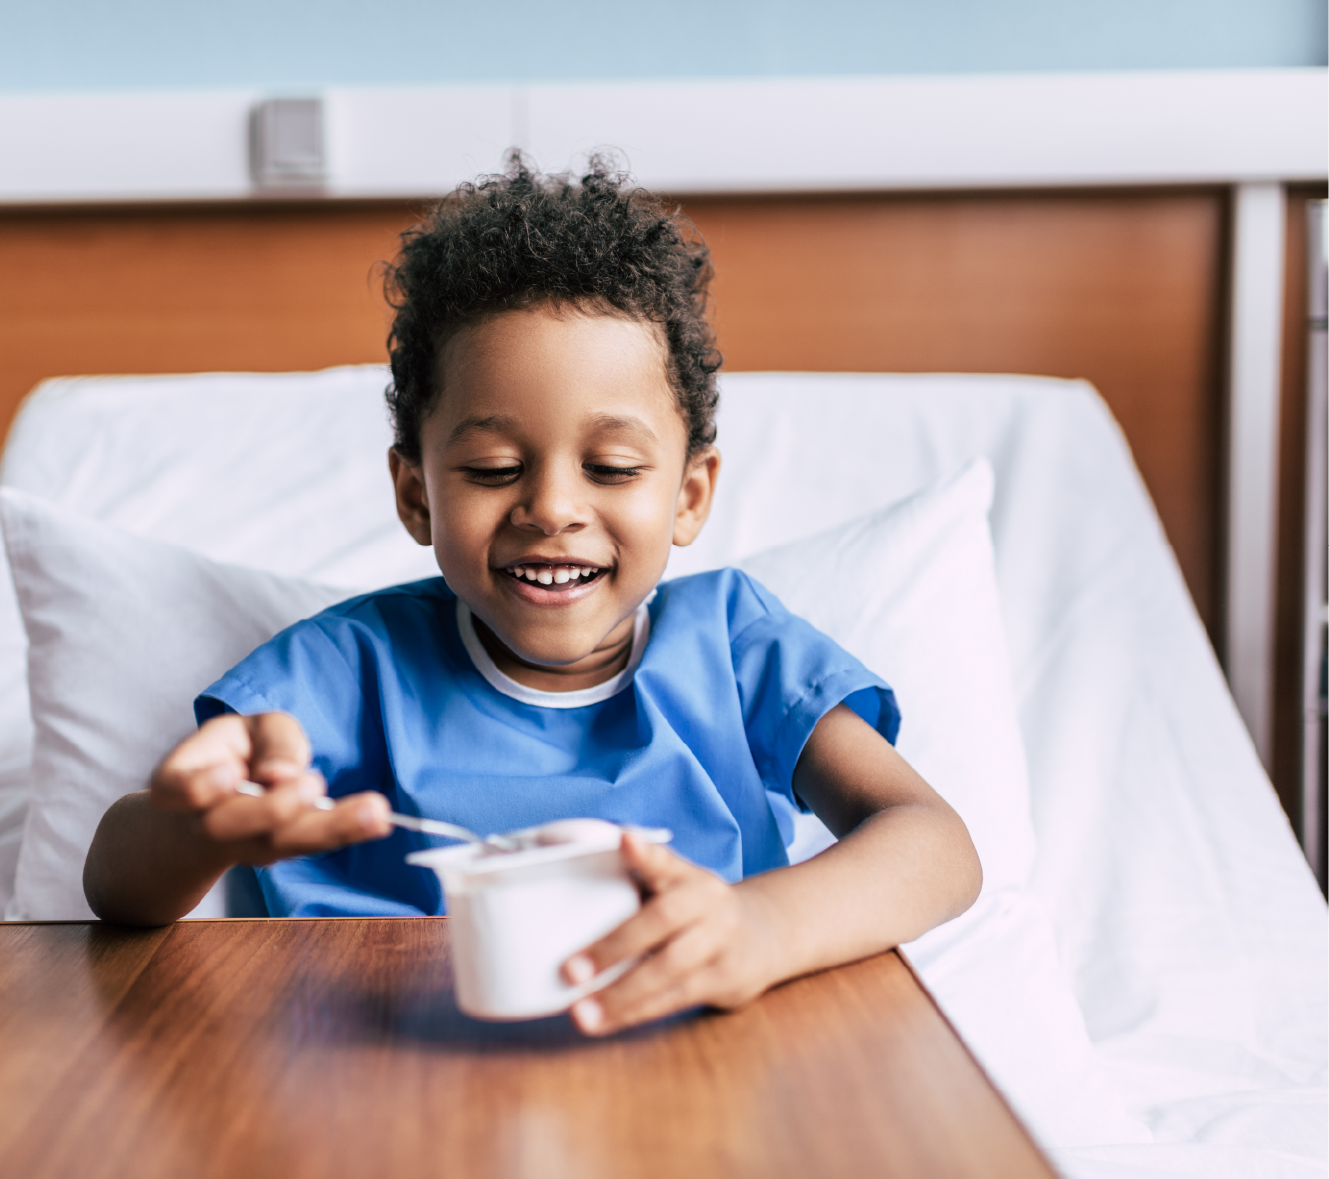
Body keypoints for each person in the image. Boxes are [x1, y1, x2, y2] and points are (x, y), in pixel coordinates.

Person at [85, 157, 981, 1037]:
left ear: (689, 496)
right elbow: (116, 886)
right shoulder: (344, 671)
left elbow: (933, 844)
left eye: (613, 467)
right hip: (382, 1086)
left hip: (701, 1075)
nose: (551, 507)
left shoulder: (738, 650)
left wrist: (761, 927)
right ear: (415, 495)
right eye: (493, 468)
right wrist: (191, 830)